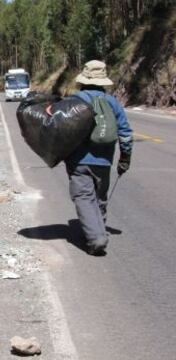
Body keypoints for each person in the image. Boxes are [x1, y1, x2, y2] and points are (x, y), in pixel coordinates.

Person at [66, 60, 133, 255]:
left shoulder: (76, 99)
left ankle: (96, 238)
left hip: (78, 160)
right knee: (100, 197)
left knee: (84, 197)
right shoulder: (112, 102)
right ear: (103, 81)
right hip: (104, 161)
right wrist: (125, 158)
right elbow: (126, 133)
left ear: (83, 80)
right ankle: (98, 229)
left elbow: (62, 128)